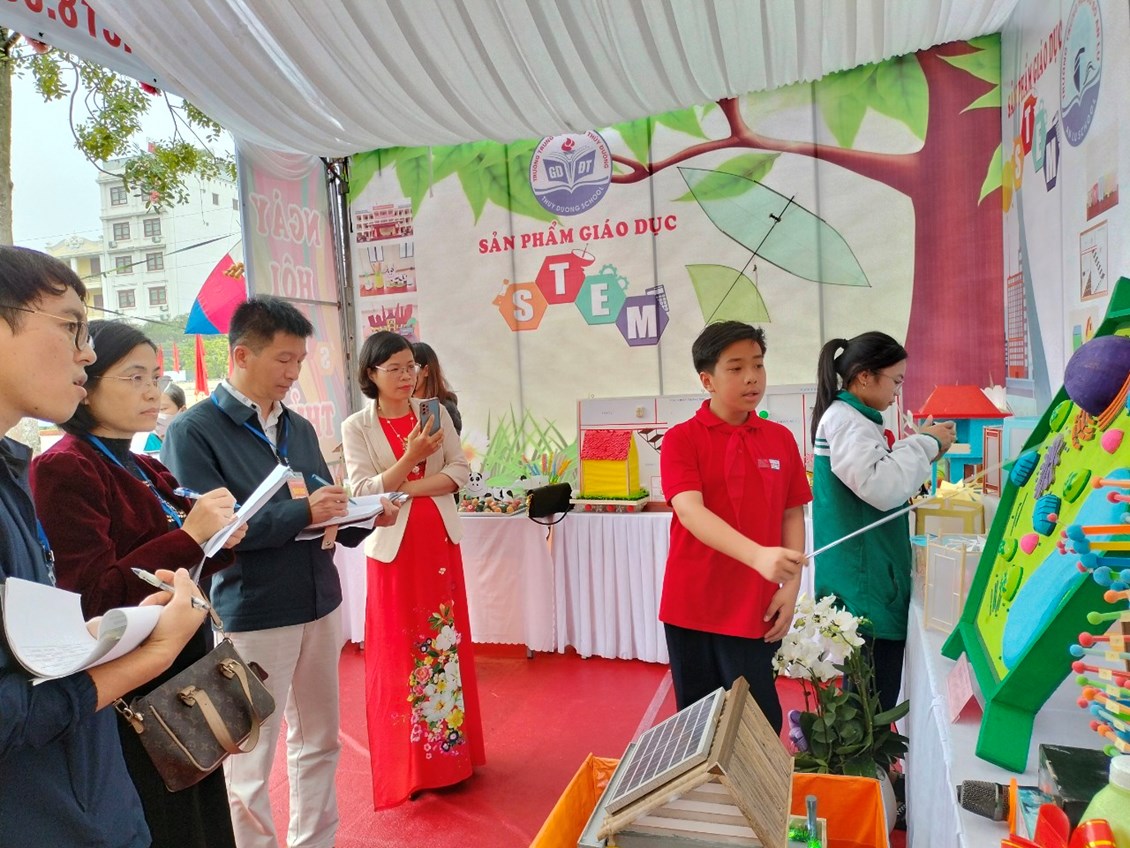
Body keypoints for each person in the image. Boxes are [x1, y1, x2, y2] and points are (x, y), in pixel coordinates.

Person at [161, 296, 398, 848]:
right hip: (254, 610)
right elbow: (209, 535)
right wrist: (302, 514)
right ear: (241, 355)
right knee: (247, 757)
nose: (293, 374)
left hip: (318, 599)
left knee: (321, 741)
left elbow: (321, 505)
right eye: (283, 360)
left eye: (300, 362)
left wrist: (362, 514)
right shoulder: (194, 431)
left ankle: (315, 840)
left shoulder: (298, 427)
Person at [0, 245, 209, 847]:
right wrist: (144, 657)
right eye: (70, 327)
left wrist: (94, 637)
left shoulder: (14, 470)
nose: (85, 354)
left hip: (89, 794)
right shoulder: (62, 466)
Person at [30, 320, 245, 848]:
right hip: (135, 686)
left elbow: (183, 562)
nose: (152, 391)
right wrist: (191, 536)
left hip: (183, 667)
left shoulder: (145, 464)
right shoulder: (65, 467)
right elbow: (93, 597)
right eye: (134, 377)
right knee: (165, 819)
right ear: (87, 384)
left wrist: (219, 538)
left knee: (201, 810)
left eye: (155, 376)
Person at [341, 330, 484, 809]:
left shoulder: (434, 412)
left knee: (443, 646)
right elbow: (364, 490)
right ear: (371, 374)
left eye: (411, 367)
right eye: (395, 368)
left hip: (439, 543)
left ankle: (452, 758)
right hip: (393, 552)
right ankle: (411, 764)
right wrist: (412, 459)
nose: (407, 376)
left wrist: (407, 487)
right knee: (401, 653)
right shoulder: (357, 426)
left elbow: (459, 473)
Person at [658, 321, 810, 733]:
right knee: (698, 726)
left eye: (758, 365)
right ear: (707, 380)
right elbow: (690, 512)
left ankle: (758, 779)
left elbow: (792, 512)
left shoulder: (779, 439)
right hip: (694, 605)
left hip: (755, 606)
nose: (752, 377)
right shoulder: (682, 439)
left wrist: (791, 587)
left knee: (759, 722)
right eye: (736, 367)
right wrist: (757, 555)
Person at [810, 331, 955, 713]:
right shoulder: (846, 421)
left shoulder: (853, 419)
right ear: (864, 376)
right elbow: (882, 485)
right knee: (869, 704)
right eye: (896, 381)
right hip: (865, 583)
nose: (896, 393)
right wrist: (926, 443)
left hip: (868, 578)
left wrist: (921, 445)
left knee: (869, 697)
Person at [412, 341, 462, 434]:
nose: (407, 375)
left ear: (426, 370)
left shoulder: (444, 407)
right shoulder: (405, 405)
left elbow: (451, 442)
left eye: (412, 367)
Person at [134, 382, 186, 454]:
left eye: (162, 409)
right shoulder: (138, 446)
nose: (157, 415)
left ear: (183, 410)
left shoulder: (195, 442)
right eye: (150, 410)